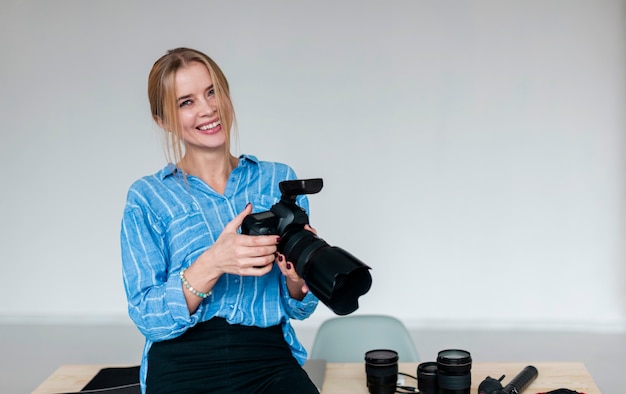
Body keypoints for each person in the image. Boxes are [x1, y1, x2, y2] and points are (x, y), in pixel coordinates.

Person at [120, 47, 320, 393]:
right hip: (182, 360)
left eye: (212, 92)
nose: (208, 108)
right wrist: (213, 262)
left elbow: (300, 308)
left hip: (267, 357)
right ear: (164, 121)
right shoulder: (147, 197)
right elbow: (146, 315)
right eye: (187, 102)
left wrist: (297, 278)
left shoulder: (278, 181)